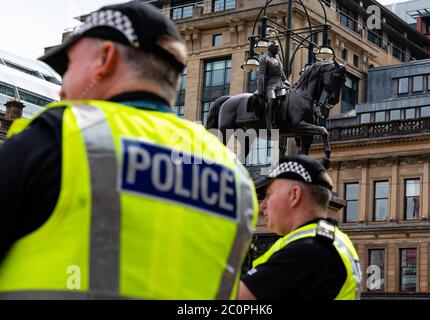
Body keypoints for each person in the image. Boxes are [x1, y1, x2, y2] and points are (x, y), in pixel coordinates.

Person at [0, 1, 258, 300]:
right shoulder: (234, 175)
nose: (61, 89)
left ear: (106, 57)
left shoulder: (63, 136)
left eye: (69, 67)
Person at [238, 155, 361, 300]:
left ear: (295, 195)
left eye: (269, 195)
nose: (262, 204)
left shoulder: (308, 251)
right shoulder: (332, 240)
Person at [257, 41, 290, 129]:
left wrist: (286, 80)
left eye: (278, 47)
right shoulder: (264, 58)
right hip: (269, 85)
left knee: (287, 98)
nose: (278, 49)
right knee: (272, 99)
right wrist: (261, 89)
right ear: (270, 48)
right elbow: (261, 74)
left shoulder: (277, 59)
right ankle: (270, 124)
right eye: (276, 47)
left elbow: (281, 72)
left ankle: (283, 119)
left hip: (279, 84)